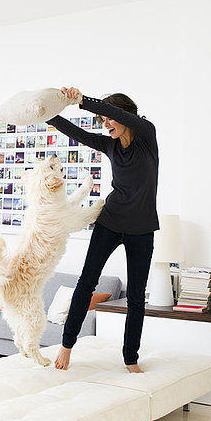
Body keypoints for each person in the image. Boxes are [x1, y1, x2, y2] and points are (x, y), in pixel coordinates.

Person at [47, 86, 159, 373]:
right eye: (101, 120)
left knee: (136, 297)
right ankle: (66, 346)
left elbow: (116, 113)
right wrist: (47, 113)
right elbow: (77, 133)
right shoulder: (110, 145)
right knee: (86, 283)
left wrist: (82, 101)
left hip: (142, 228)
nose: (105, 124)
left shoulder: (146, 135)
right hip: (110, 222)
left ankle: (130, 359)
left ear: (126, 116)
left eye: (108, 119)